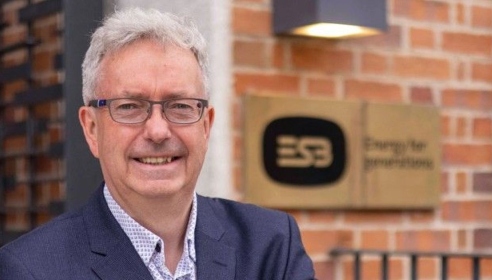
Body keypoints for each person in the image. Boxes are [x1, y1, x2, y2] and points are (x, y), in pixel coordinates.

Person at [0, 7, 315, 280]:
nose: (157, 130)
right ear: (92, 129)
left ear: (206, 125)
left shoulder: (271, 245)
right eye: (129, 107)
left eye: (179, 106)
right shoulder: (32, 269)